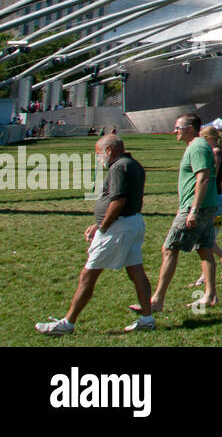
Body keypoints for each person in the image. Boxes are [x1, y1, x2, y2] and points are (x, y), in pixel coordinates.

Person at [36, 135, 154, 336]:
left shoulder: (118, 168)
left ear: (109, 150)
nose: (98, 158)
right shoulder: (133, 164)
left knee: (88, 275)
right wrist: (99, 222)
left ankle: (67, 323)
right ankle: (147, 318)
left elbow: (118, 201)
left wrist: (103, 227)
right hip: (132, 223)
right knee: (136, 271)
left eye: (98, 153)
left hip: (118, 228)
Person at [132, 113, 220, 317]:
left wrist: (193, 211)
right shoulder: (198, 146)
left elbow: (204, 178)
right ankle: (210, 295)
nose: (175, 131)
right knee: (205, 249)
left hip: (194, 207)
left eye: (178, 128)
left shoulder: (197, 147)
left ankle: (157, 300)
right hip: (205, 206)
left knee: (169, 248)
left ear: (190, 128)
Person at [190, 127, 222, 290]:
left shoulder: (216, 153)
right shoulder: (220, 151)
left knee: (204, 237)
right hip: (220, 200)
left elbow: (211, 178)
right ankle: (208, 273)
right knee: (210, 237)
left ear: (208, 137)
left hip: (215, 200)